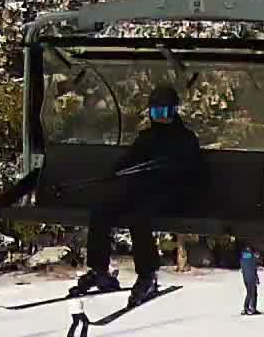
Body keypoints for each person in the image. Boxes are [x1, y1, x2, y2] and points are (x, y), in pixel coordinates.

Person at [74, 83, 208, 302]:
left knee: (139, 217)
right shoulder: (146, 138)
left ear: (174, 112)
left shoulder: (185, 140)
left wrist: (173, 171)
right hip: (142, 191)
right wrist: (119, 170)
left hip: (173, 196)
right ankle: (100, 270)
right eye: (156, 112)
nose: (160, 118)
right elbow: (127, 162)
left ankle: (147, 274)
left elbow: (197, 175)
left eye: (164, 112)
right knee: (101, 210)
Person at [239, 244, 260, 316]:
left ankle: (251, 308)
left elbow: (245, 268)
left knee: (252, 293)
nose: (258, 256)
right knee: (251, 293)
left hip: (246, 277)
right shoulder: (251, 258)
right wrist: (256, 279)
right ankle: (248, 308)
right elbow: (253, 270)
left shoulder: (243, 257)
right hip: (251, 278)